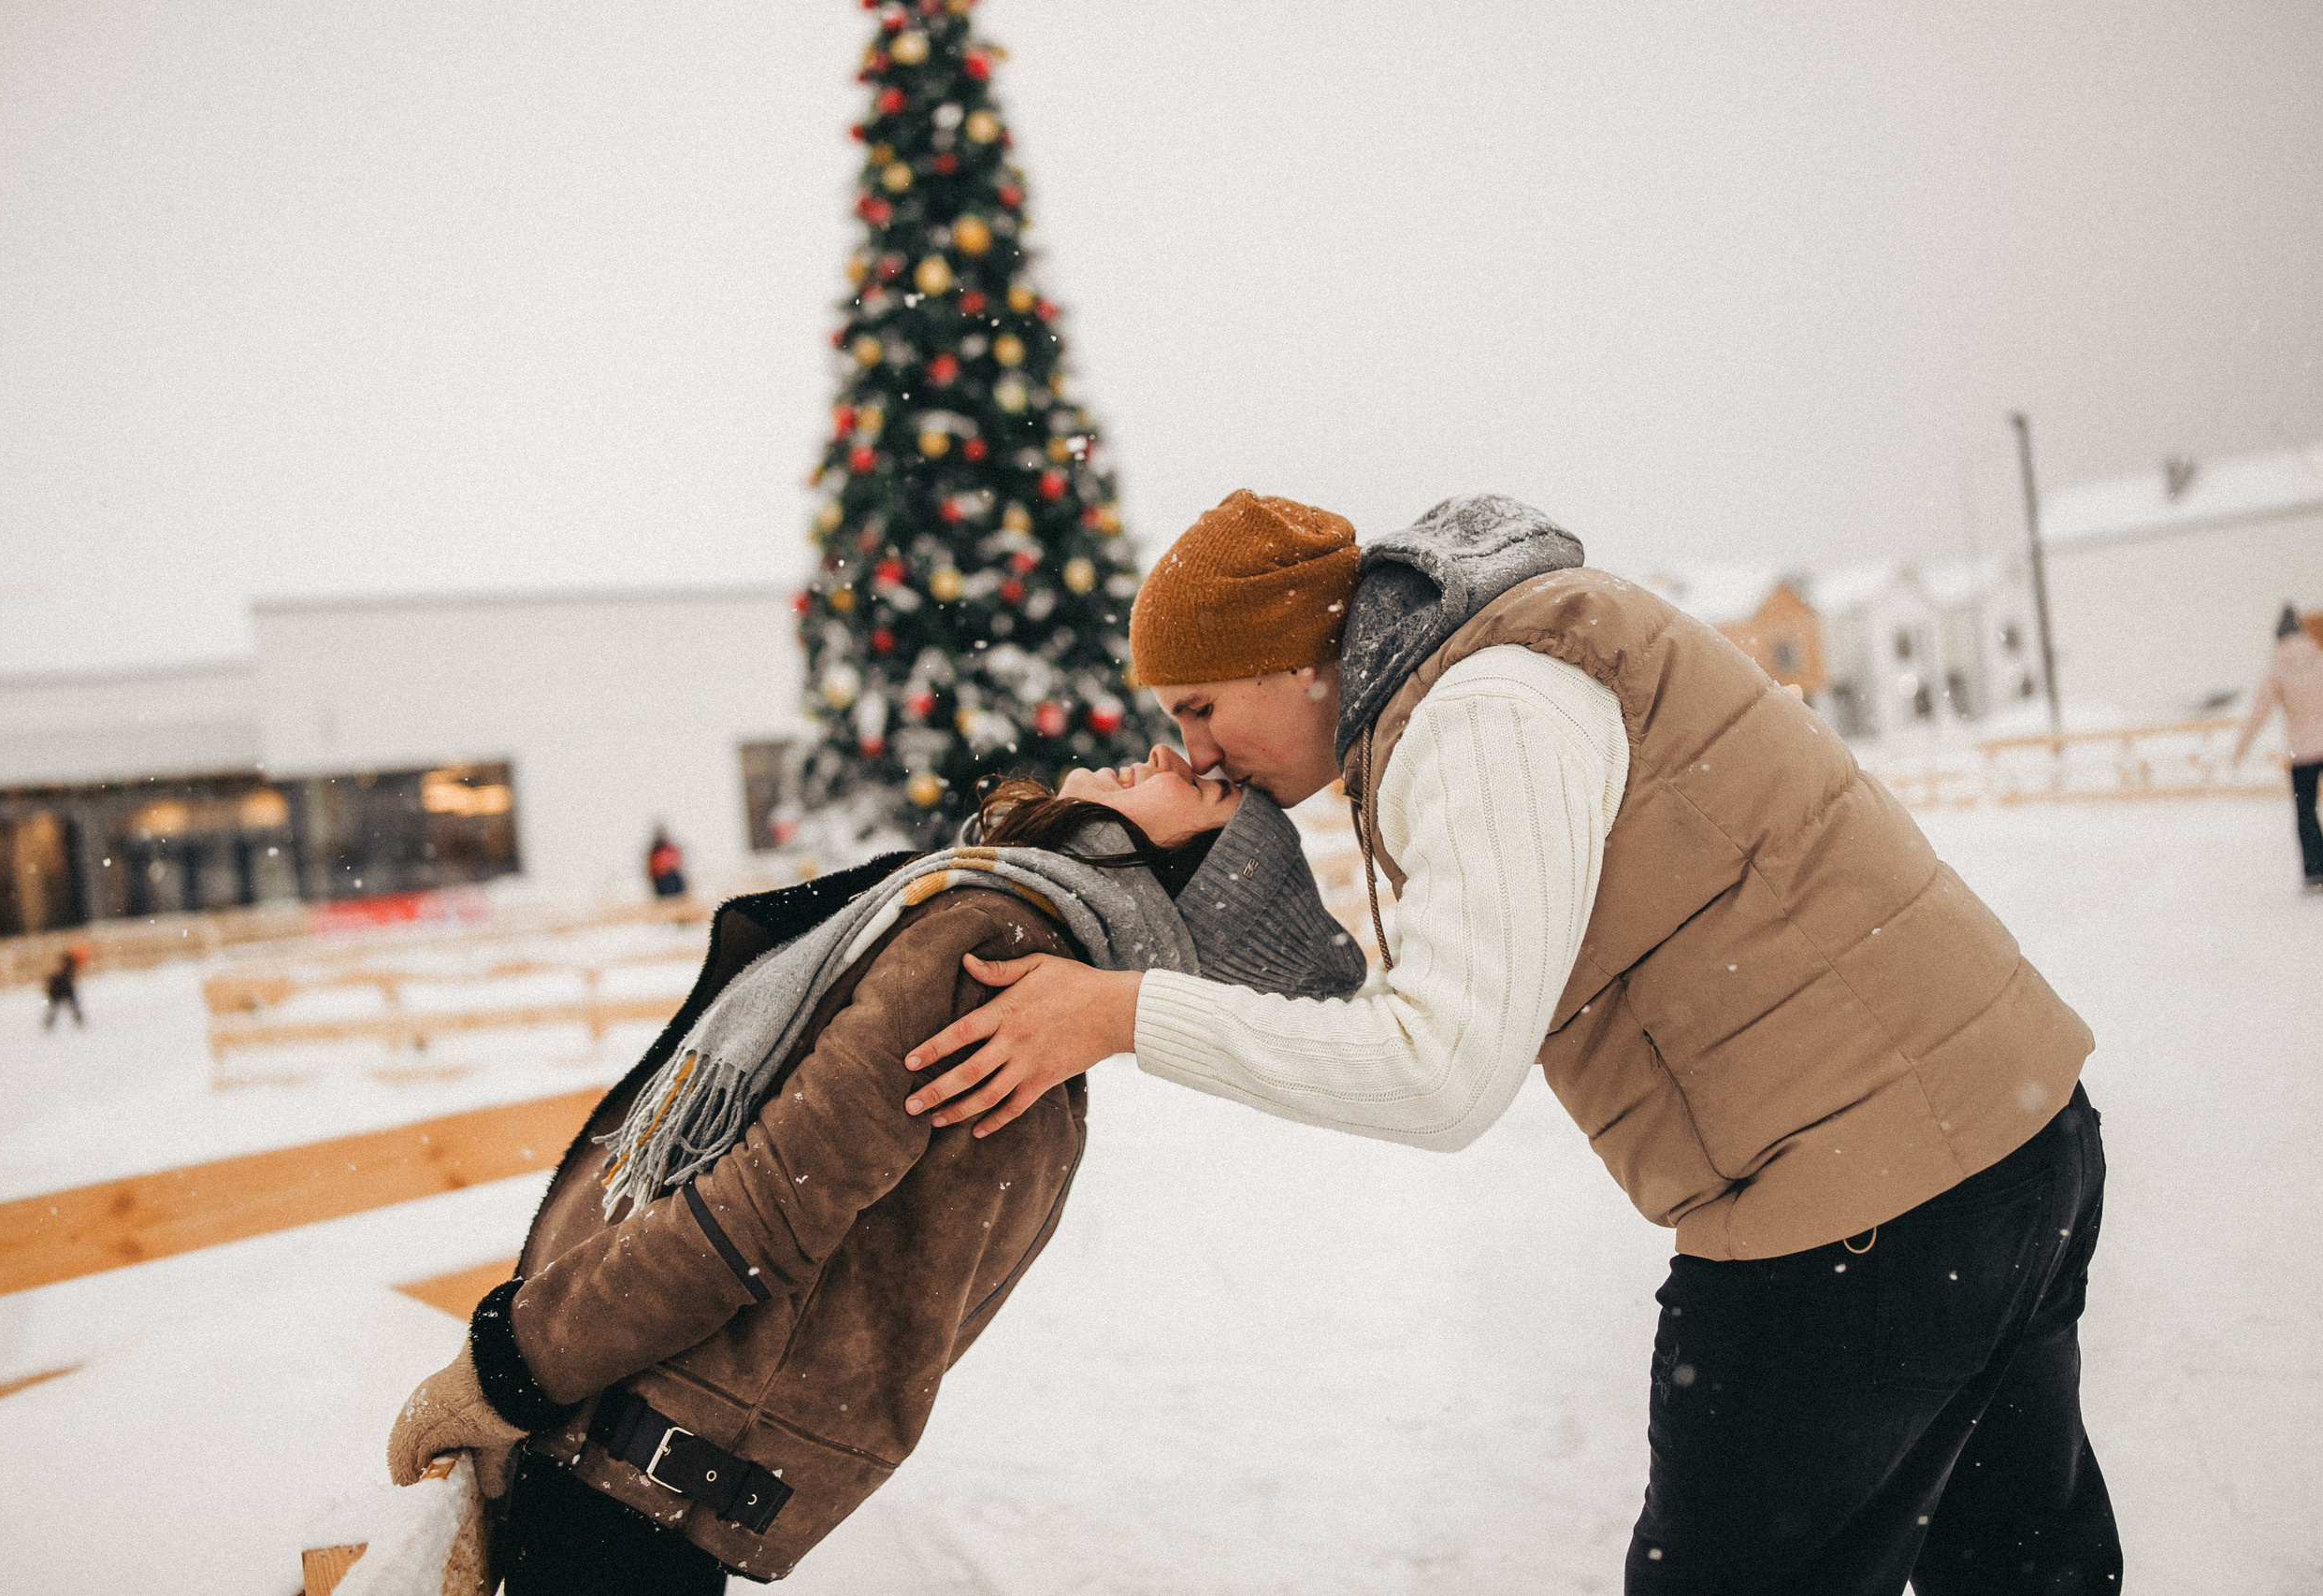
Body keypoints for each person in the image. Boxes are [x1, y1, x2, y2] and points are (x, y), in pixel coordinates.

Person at [902, 490, 2119, 1594]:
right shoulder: (1494, 668)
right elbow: (1387, 991)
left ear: (1293, 656)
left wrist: (1118, 1014)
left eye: (1201, 705)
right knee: (2021, 1568)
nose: (1197, 745)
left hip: (1861, 1218)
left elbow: (1440, 1070)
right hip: (2011, 1141)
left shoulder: (1482, 712)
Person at [386, 761, 1360, 1593]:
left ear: (1176, 876)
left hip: (633, 1454)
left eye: (1209, 786)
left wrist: (513, 1367)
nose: (1164, 751)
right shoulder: (1037, 994)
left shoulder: (996, 949)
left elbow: (756, 1214)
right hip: (665, 1465)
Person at [2230, 603, 2323, 893]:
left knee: (2307, 812)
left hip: (2304, 754)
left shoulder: (2276, 671)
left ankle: (2317, 875)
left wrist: (2239, 749)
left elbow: (2258, 714)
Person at [41, 943, 85, 1029]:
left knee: (59, 1007)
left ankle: (79, 1023)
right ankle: (79, 1022)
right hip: (60, 988)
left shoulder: (68, 964)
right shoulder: (68, 964)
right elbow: (58, 976)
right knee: (65, 1006)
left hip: (61, 987)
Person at [645, 827, 686, 899]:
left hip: (671, 877)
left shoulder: (669, 849)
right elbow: (651, 869)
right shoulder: (654, 852)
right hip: (661, 880)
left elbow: (678, 862)